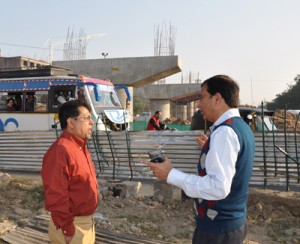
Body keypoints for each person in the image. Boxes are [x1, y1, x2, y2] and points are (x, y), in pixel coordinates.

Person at [143, 75, 255, 244]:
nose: (198, 104)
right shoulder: (240, 127)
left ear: (217, 98)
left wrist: (170, 174)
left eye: (202, 97)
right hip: (231, 224)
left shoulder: (224, 133)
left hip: (218, 231)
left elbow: (218, 188)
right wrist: (210, 149)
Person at [41, 100, 98, 244]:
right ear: (71, 122)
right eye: (87, 118)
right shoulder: (61, 151)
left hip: (85, 223)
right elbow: (56, 193)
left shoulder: (80, 147)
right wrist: (67, 229)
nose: (92, 122)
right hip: (72, 227)